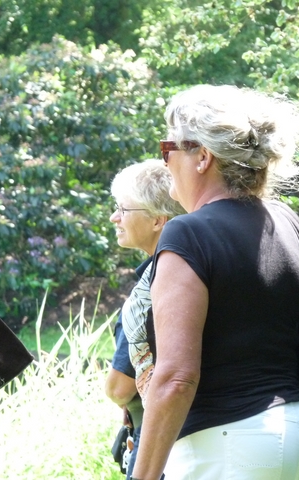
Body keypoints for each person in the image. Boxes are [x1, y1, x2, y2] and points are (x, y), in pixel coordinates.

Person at [131, 85, 299, 480]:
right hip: (297, 433)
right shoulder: (286, 222)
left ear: (203, 157)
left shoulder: (188, 234)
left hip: (225, 445)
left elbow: (177, 378)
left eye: (168, 148)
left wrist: (143, 475)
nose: (165, 162)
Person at [104, 159, 182, 479]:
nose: (115, 217)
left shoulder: (151, 288)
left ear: (157, 220)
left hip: (157, 440)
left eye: (123, 209)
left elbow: (119, 388)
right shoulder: (187, 269)